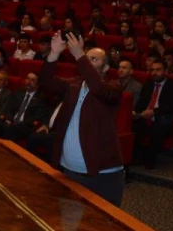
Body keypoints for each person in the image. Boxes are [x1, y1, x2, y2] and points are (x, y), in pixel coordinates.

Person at [39, 32, 126, 206]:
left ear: (107, 68)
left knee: (104, 226)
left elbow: (99, 89)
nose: (88, 62)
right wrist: (54, 53)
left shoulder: (113, 88)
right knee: (69, 224)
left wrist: (79, 55)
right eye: (87, 58)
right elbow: (45, 81)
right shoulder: (74, 84)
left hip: (102, 173)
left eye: (94, 59)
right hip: (70, 171)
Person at [131, 61, 173, 168]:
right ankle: (135, 157)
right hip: (145, 115)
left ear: (165, 71)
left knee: (158, 129)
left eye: (158, 70)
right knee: (133, 125)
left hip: (164, 117)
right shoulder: (149, 84)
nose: (154, 73)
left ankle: (150, 160)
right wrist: (135, 111)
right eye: (152, 70)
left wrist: (154, 112)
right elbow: (142, 101)